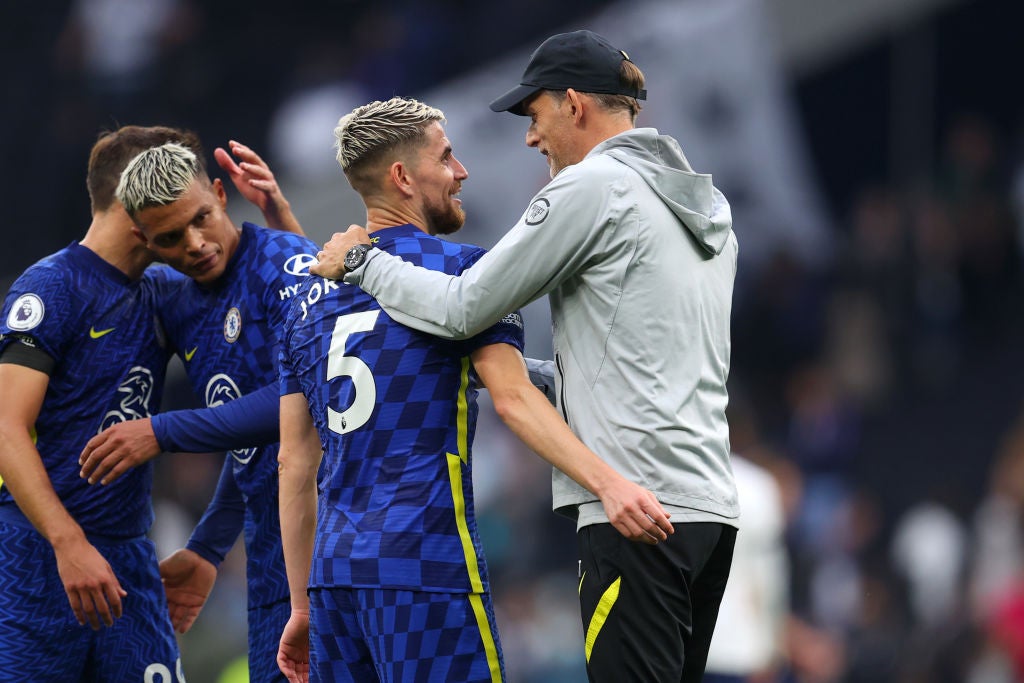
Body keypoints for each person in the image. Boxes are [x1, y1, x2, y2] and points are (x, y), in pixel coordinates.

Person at [310, 30, 739, 682]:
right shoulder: (703, 204)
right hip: (709, 508)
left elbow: (461, 307)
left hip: (633, 508)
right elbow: (637, 367)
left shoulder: (590, 188)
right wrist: (503, 369)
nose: (531, 138)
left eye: (534, 116)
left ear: (574, 104)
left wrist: (363, 263)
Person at [0, 125, 294, 680]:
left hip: (130, 559)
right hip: (37, 554)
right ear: (133, 208)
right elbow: (4, 428)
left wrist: (277, 215)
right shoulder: (51, 288)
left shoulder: (162, 291)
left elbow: (290, 327)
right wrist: (67, 543)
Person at [113, 140, 319, 683]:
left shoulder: (280, 265)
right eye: (171, 239)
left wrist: (162, 431)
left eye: (201, 219)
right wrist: (207, 547)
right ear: (146, 242)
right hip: (271, 563)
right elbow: (255, 449)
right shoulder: (178, 303)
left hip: (335, 543)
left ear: (222, 195)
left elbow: (305, 397)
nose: (196, 244)